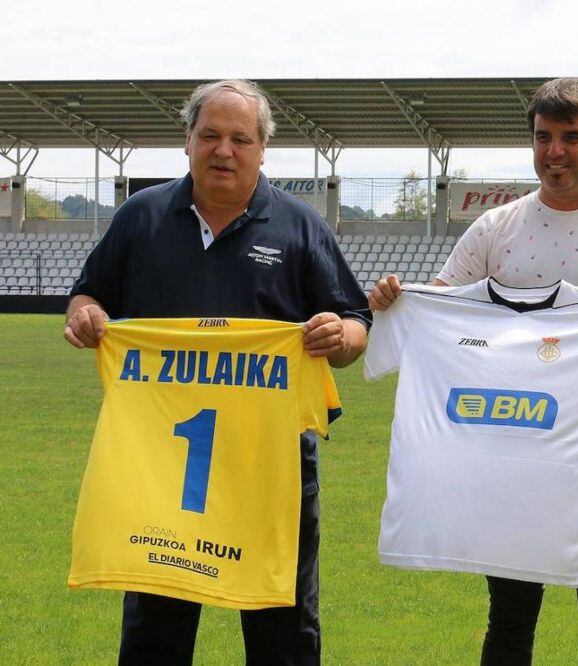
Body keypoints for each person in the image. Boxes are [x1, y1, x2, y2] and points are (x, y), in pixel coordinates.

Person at [369, 77, 578, 665]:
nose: (555, 152)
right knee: (509, 616)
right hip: (511, 443)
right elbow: (440, 310)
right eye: (543, 137)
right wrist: (398, 299)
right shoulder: (496, 228)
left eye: (570, 138)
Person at [63, 79, 370, 665]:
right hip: (160, 470)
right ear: (187, 141)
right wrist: (87, 317)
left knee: (283, 626)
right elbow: (87, 296)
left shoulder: (299, 226)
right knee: (156, 628)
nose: (223, 150)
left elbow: (355, 323)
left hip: (271, 467)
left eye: (239, 138)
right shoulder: (141, 216)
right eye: (210, 135)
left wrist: (342, 335)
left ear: (261, 150)